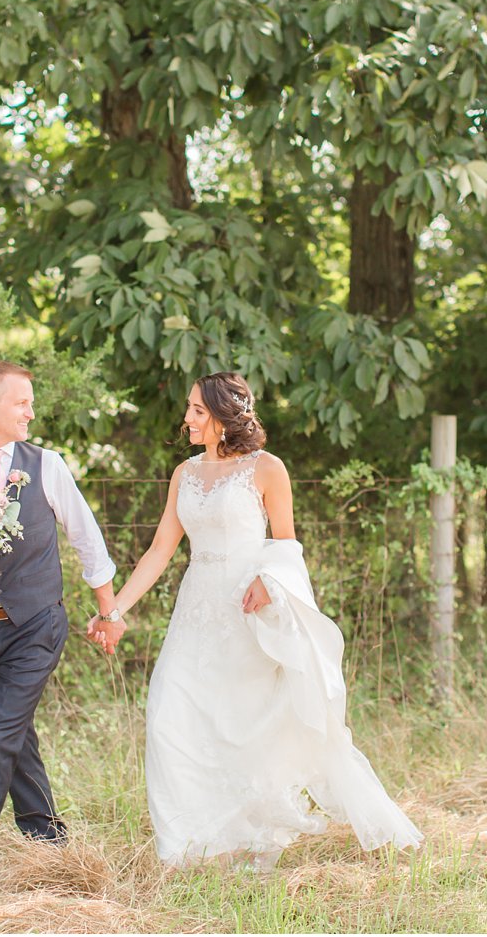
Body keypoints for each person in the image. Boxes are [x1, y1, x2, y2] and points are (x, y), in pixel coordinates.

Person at [87, 371, 422, 870]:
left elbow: (287, 544)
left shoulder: (267, 469)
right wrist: (114, 610)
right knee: (166, 717)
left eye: (198, 411)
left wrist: (268, 579)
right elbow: (160, 551)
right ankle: (186, 846)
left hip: (247, 609)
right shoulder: (185, 473)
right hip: (196, 607)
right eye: (189, 409)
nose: (188, 419)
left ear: (225, 415)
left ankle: (244, 835)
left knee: (242, 724)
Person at [0, 360, 121, 892]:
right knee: (14, 736)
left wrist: (108, 611)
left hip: (39, 624)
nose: (31, 412)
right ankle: (50, 844)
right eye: (22, 402)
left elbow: (86, 539)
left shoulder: (46, 464)